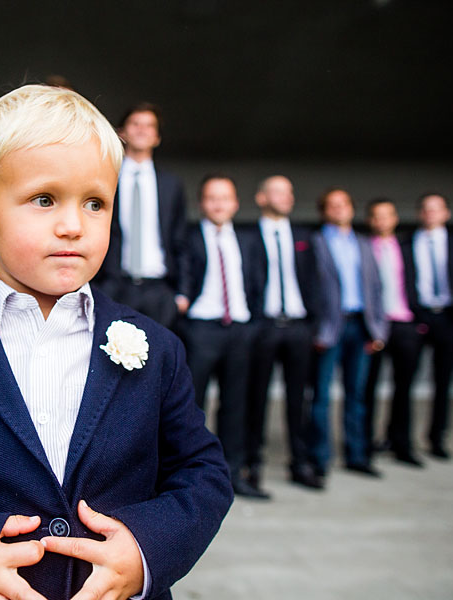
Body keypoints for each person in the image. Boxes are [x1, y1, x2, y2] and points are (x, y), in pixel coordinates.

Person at [0, 84, 232, 600]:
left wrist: (145, 550)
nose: (73, 225)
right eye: (44, 199)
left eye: (95, 203)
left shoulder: (157, 347)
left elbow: (203, 470)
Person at [176, 174, 266, 499]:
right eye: (212, 198)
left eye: (224, 198)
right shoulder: (189, 236)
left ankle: (231, 475)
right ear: (202, 203)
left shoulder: (249, 239)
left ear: (235, 203)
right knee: (192, 406)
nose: (218, 204)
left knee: (235, 406)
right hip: (201, 328)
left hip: (239, 329)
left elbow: (258, 282)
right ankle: (188, 476)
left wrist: (253, 324)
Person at [245, 175, 324, 494]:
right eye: (278, 191)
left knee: (298, 399)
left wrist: (312, 324)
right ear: (261, 198)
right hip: (264, 326)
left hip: (298, 327)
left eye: (290, 192)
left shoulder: (304, 236)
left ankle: (300, 462)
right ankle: (253, 464)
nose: (286, 197)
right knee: (256, 399)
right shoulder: (248, 237)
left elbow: (315, 281)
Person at [310, 187, 388, 479]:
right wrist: (317, 329)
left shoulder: (364, 243)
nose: (339, 209)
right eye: (332, 205)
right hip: (330, 328)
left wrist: (379, 329)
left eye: (344, 204)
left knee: (357, 394)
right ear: (324, 211)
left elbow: (377, 289)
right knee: (321, 395)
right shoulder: (316, 242)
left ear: (352, 209)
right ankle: (320, 457)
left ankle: (357, 455)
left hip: (361, 326)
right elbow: (312, 288)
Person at [97, 102, 187, 329]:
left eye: (149, 126)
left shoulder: (170, 184)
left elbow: (180, 239)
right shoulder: (105, 178)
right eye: (135, 124)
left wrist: (182, 292)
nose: (142, 130)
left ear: (157, 137)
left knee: (159, 359)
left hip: (160, 289)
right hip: (114, 285)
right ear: (121, 132)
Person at [409, 192, 453, 460]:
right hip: (418, 317)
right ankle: (398, 437)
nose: (431, 214)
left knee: (443, 381)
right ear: (419, 214)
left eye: (436, 209)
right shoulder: (408, 243)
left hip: (449, 319)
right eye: (426, 209)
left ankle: (437, 437)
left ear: (446, 213)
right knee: (405, 381)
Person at [363, 198, 425, 467]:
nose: (382, 221)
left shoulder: (408, 248)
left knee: (404, 388)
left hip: (404, 323)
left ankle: (401, 443)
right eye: (376, 216)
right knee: (368, 388)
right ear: (370, 220)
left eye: (387, 215)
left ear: (395, 218)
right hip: (376, 325)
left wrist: (420, 321)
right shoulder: (363, 247)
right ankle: (364, 444)